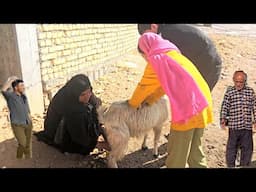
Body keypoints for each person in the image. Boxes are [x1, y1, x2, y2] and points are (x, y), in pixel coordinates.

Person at [128, 32, 213, 168]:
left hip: (189, 109)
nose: (145, 59)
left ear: (146, 50)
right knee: (195, 153)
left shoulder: (156, 60)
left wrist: (131, 105)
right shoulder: (173, 54)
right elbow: (163, 84)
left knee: (176, 157)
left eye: (143, 55)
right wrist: (150, 101)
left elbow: (143, 87)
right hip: (203, 102)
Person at [35, 74, 110, 155]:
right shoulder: (69, 104)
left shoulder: (83, 91)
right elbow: (80, 137)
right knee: (82, 146)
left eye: (89, 91)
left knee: (93, 110)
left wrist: (103, 130)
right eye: (83, 94)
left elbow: (97, 107)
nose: (87, 96)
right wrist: (102, 145)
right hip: (58, 133)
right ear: (76, 94)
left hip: (75, 124)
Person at [137, 24, 222, 91]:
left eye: (147, 36)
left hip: (208, 66)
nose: (148, 39)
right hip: (207, 61)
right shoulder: (169, 29)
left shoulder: (167, 35)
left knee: (197, 101)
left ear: (153, 26)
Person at [220, 70, 256, 167]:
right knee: (232, 149)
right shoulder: (230, 92)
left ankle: (244, 165)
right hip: (234, 126)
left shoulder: (250, 92)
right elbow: (225, 106)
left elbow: (254, 107)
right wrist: (223, 118)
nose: (238, 84)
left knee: (247, 149)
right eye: (237, 81)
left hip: (246, 127)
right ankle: (231, 165)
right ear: (233, 80)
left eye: (241, 82)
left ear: (245, 81)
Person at [1, 76, 33, 159]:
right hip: (17, 124)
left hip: (27, 122)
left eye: (23, 85)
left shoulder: (24, 96)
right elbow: (3, 90)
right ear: (15, 87)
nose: (23, 87)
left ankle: (27, 158)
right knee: (23, 142)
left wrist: (30, 118)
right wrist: (10, 80)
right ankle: (20, 157)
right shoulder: (10, 96)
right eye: (21, 86)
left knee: (28, 142)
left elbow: (27, 108)